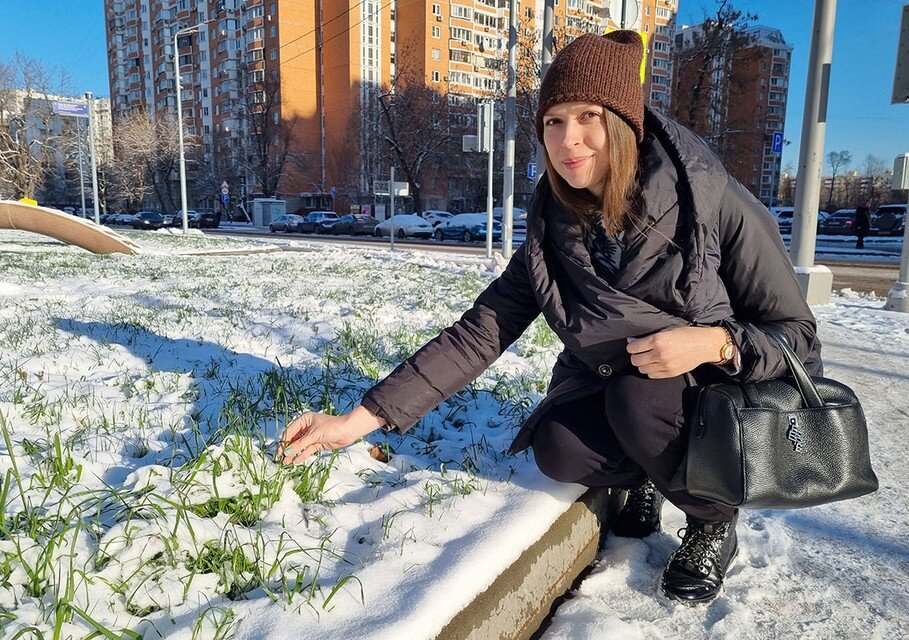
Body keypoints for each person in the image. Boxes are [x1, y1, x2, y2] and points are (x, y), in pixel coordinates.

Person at [277, 31, 822, 606]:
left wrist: (713, 343)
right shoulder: (553, 224)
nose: (569, 139)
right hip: (608, 384)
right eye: (553, 121)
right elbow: (479, 331)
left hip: (705, 394)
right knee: (560, 448)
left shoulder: (710, 197)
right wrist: (356, 421)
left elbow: (798, 335)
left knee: (642, 402)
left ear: (624, 122)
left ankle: (712, 519)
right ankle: (645, 472)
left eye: (588, 115)